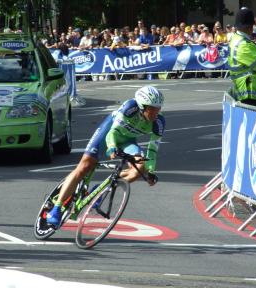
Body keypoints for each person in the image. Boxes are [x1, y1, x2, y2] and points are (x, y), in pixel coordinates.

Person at [46, 86, 166, 226]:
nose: (155, 113)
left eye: (158, 109)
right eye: (152, 109)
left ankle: (100, 189)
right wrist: (111, 147)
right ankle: (56, 208)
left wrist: (150, 171)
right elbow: (113, 133)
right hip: (108, 134)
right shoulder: (130, 108)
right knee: (85, 166)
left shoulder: (159, 122)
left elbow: (152, 150)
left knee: (140, 169)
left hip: (128, 141)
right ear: (141, 106)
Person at [227, 7, 256, 108]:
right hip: (251, 93)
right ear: (249, 27)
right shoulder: (244, 44)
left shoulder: (235, 40)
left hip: (243, 91)